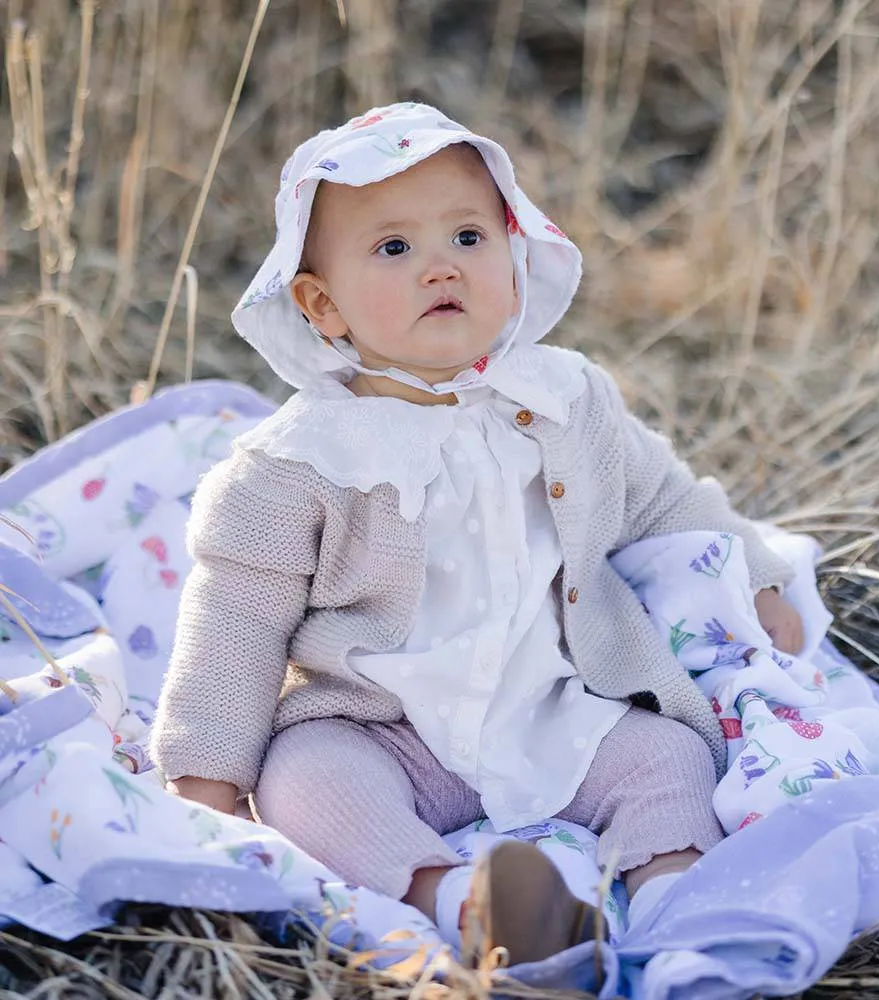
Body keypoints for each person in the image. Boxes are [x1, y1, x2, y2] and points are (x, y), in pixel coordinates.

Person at [150, 102, 804, 967]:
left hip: (557, 700)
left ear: (516, 252)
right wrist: (207, 769)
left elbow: (663, 500)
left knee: (670, 756)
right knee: (305, 781)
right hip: (381, 724)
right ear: (321, 304)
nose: (439, 269)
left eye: (467, 237)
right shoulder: (296, 464)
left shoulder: (564, 397)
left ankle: (677, 903)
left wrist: (753, 578)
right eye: (393, 248)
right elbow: (233, 622)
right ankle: (461, 903)